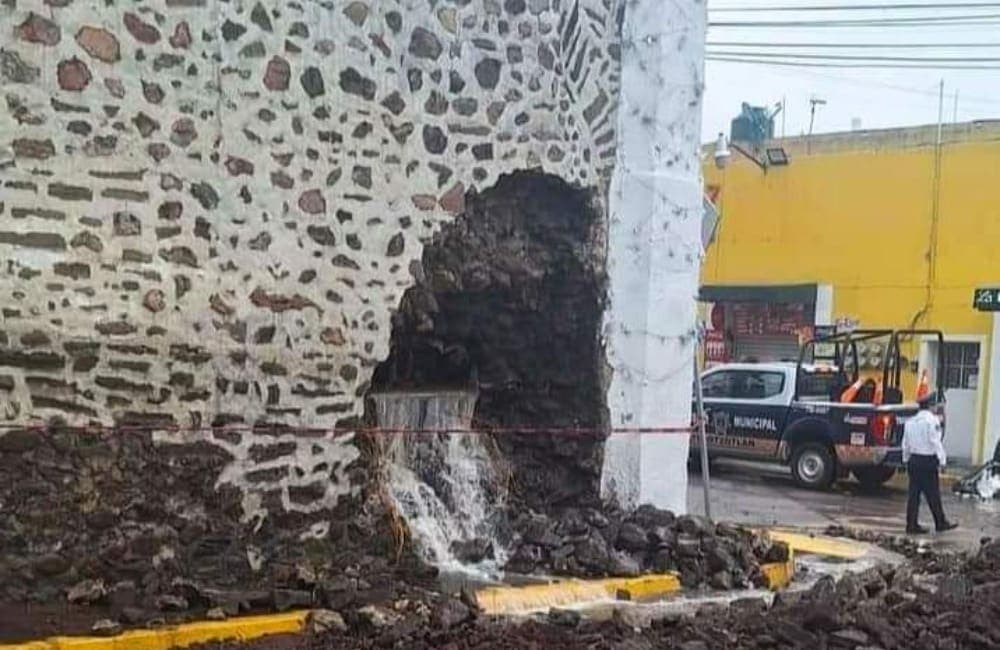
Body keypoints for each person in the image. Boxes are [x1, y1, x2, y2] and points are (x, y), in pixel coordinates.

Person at [902, 395, 958, 534]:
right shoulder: (931, 421)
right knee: (933, 494)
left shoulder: (910, 422)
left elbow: (905, 444)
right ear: (931, 406)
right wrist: (942, 460)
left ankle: (911, 524)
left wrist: (905, 460)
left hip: (914, 461)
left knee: (913, 495)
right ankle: (940, 522)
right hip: (928, 461)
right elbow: (935, 441)